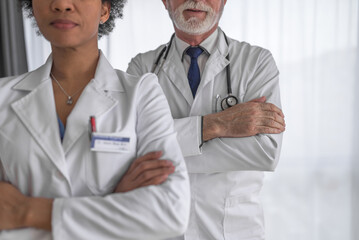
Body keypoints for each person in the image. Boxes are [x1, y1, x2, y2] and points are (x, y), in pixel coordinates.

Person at [0, 0, 190, 239]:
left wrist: (26, 212)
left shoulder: (141, 93)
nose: (61, 4)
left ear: (105, 9)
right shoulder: (3, 97)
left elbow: (170, 211)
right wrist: (115, 202)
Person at [126, 0, 286, 239]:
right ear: (165, 1)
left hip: (233, 231)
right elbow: (133, 147)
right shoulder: (143, 67)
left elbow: (265, 152)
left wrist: (167, 145)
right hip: (160, 229)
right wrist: (218, 125)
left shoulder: (256, 62)